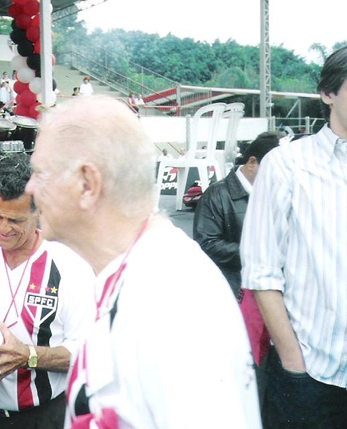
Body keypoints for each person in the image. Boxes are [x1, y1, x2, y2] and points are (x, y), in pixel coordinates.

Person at [26, 95, 261, 429]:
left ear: (86, 184)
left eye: (40, 172)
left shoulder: (172, 301)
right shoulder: (139, 274)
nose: (31, 187)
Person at [240, 46, 347, 429]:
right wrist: (292, 361)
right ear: (328, 93)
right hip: (313, 376)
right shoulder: (287, 166)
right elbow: (262, 272)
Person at [0, 153, 95, 429]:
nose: (3, 228)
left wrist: (29, 355)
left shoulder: (70, 267)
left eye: (15, 220)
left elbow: (89, 353)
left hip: (44, 418)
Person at [193, 131, 280, 366]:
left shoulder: (276, 193)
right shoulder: (217, 195)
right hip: (234, 294)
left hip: (268, 293)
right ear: (252, 162)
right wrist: (256, 253)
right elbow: (206, 244)